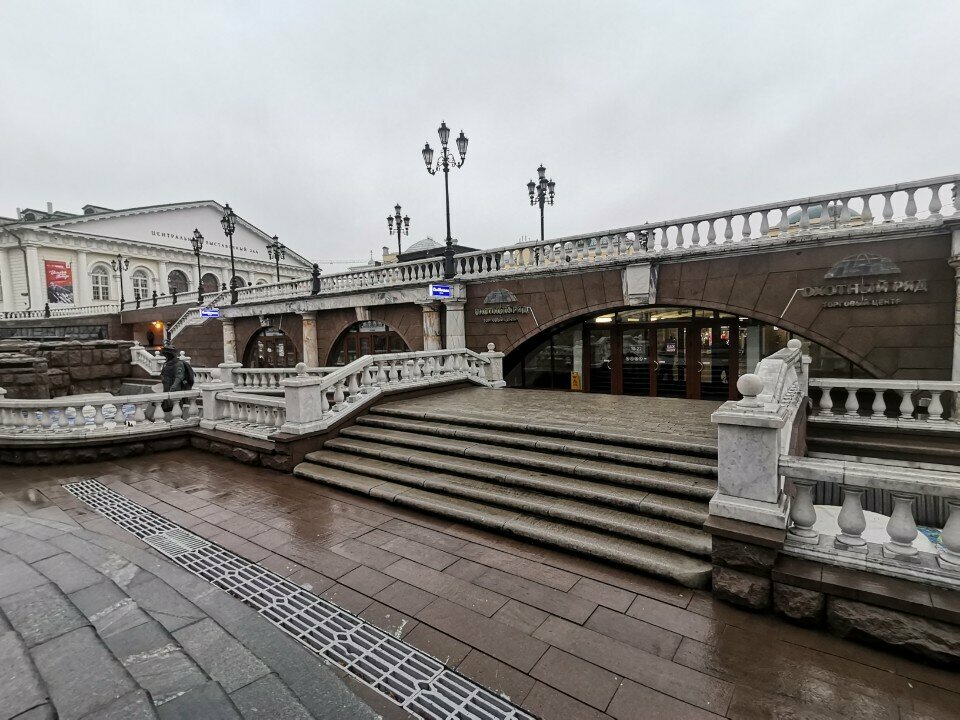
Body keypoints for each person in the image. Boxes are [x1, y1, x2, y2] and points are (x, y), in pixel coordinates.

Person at [160, 345, 186, 412]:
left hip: (175, 387)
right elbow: (163, 374)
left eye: (167, 354)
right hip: (166, 387)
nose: (166, 355)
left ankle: (180, 418)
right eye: (165, 354)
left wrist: (174, 385)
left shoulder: (178, 364)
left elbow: (179, 376)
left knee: (177, 403)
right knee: (168, 405)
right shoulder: (166, 364)